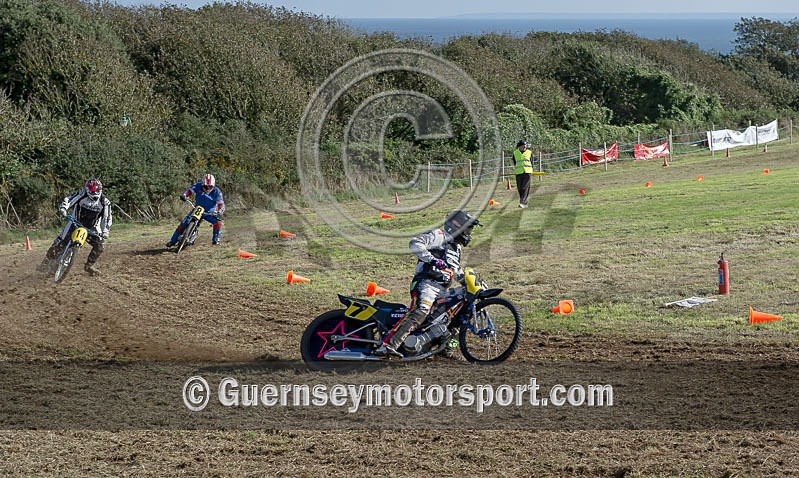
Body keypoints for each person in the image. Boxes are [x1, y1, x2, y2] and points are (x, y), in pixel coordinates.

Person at [375, 210, 482, 358]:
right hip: (426, 283)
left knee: (460, 312)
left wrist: (471, 283)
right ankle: (387, 345)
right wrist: (432, 260)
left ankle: (447, 348)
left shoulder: (456, 248)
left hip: (442, 289)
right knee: (422, 310)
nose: (469, 233)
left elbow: (456, 270)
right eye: (468, 229)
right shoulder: (439, 236)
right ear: (458, 227)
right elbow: (415, 243)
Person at [38, 178, 112, 276]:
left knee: (100, 246)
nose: (95, 193)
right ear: (88, 190)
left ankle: (89, 265)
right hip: (75, 223)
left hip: (92, 228)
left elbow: (107, 218)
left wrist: (105, 232)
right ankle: (46, 262)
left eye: (97, 191)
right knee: (60, 241)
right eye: (92, 191)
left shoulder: (104, 202)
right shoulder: (82, 194)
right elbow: (69, 199)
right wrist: (63, 208)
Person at [166, 173, 225, 247]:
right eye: (205, 187)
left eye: (210, 187)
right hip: (198, 209)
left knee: (218, 223)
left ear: (213, 185)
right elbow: (190, 190)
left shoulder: (217, 192)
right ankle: (173, 241)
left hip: (210, 212)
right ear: (202, 184)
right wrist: (184, 195)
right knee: (184, 223)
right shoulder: (198, 185)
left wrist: (220, 212)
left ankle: (216, 240)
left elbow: (221, 204)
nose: (208, 189)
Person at [513, 140, 533, 208]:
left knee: (525, 188)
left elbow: (532, 161)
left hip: (527, 172)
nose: (524, 146)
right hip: (519, 172)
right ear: (519, 146)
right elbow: (515, 162)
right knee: (520, 188)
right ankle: (524, 202)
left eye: (525, 145)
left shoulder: (529, 152)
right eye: (523, 145)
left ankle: (522, 203)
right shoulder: (515, 153)